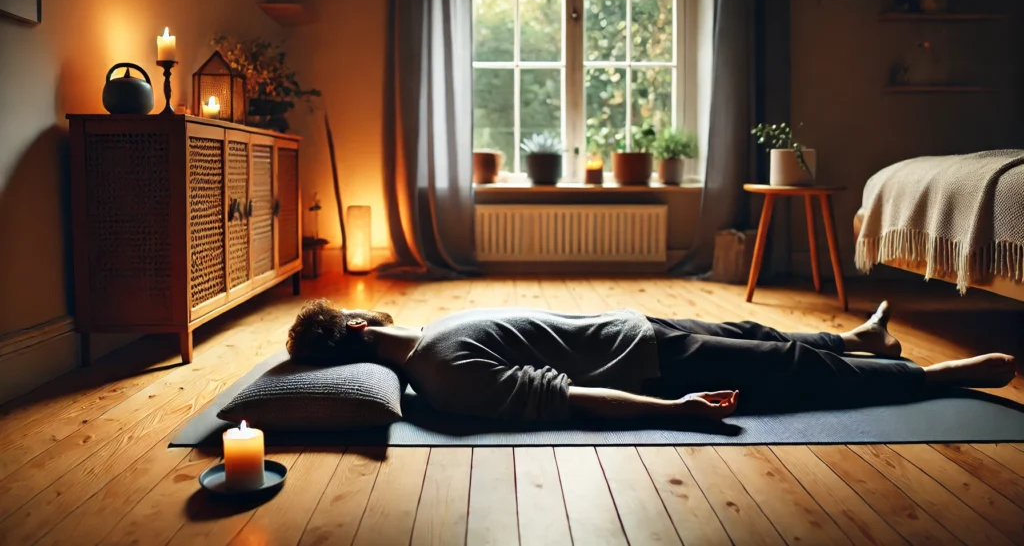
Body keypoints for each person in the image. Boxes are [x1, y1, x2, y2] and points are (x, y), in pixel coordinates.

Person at [285, 300, 1017, 421]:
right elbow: (567, 397)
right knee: (795, 371)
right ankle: (932, 376)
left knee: (757, 331)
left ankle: (858, 339)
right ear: (355, 326)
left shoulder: (430, 336)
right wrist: (673, 411)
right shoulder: (445, 379)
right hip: (653, 367)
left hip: (637, 325)